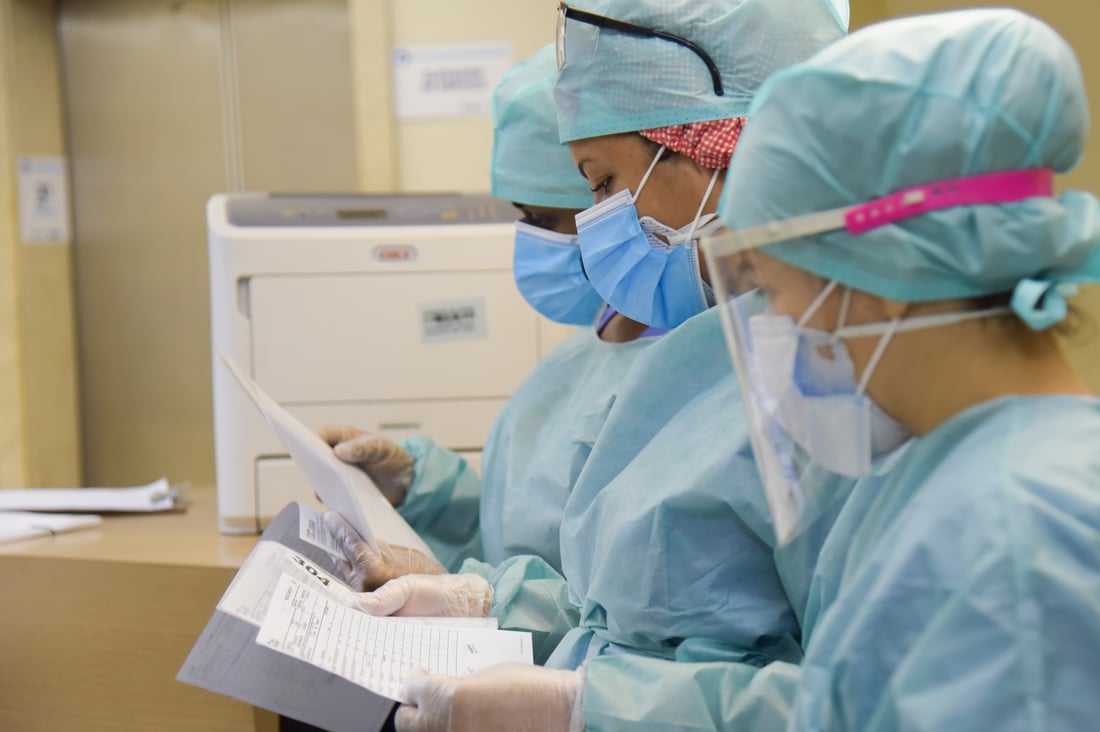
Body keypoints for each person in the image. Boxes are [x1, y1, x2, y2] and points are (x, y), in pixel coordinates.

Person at [699, 8, 1100, 729]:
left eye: (774, 292)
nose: (771, 326)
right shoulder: (1070, 472)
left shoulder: (1016, 541)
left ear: (874, 271)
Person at [347, 2, 884, 730]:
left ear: (716, 146)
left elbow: (869, 701)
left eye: (598, 186)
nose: (595, 219)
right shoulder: (697, 364)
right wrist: (489, 604)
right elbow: (627, 611)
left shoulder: (834, 381)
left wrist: (589, 708)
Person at [318, 44, 663, 588]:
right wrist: (418, 487)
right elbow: (516, 535)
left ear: (613, 197)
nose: (535, 241)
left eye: (545, 218)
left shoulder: (689, 371)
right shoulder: (589, 345)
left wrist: (486, 602)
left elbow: (624, 607)